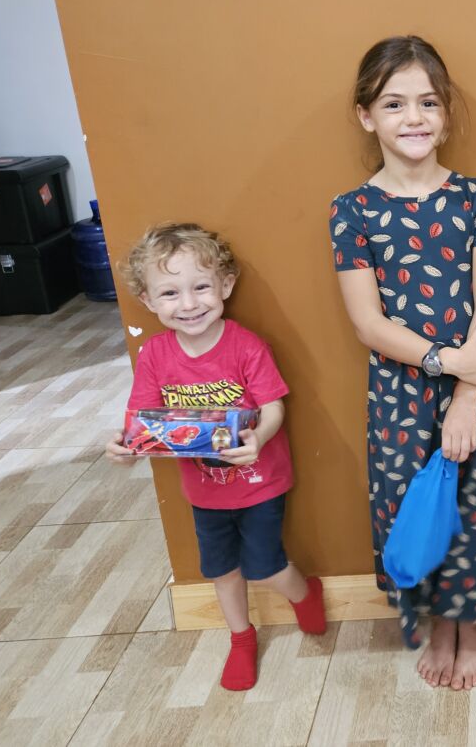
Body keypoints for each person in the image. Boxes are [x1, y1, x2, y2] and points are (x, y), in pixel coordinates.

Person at [330, 35, 476, 691]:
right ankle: (440, 623)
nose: (414, 117)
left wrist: (467, 393)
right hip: (400, 393)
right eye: (395, 103)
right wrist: (446, 363)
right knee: (417, 508)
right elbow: (369, 323)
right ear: (366, 115)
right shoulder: (352, 212)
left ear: (445, 113)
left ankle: (473, 625)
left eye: (429, 102)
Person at [106, 222, 326, 692]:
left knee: (264, 566)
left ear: (225, 285)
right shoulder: (155, 355)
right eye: (170, 293)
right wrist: (126, 448)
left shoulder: (246, 345)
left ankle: (306, 593)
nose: (188, 304)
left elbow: (274, 407)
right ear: (147, 300)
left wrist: (259, 438)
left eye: (201, 287)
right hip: (204, 491)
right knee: (222, 570)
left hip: (260, 481)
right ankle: (241, 638)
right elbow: (142, 421)